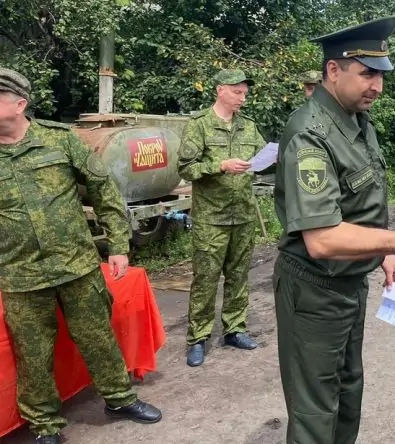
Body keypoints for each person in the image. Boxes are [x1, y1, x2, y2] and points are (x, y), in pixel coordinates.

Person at [272, 16, 395, 444]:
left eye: (381, 75)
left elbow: (354, 209)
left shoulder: (356, 122)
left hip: (348, 287)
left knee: (347, 395)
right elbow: (322, 239)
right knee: (316, 412)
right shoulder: (311, 133)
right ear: (333, 71)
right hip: (315, 292)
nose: (377, 86)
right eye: (367, 74)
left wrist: (383, 255)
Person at [0, 68, 162, 444]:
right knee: (33, 354)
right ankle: (45, 425)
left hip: (76, 264)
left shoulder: (59, 141)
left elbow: (103, 190)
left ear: (19, 104)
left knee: (97, 337)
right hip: (19, 273)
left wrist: (119, 245)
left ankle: (119, 399)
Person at [178, 69, 267, 367]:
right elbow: (186, 168)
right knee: (206, 279)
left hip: (242, 214)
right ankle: (198, 338)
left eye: (245, 92)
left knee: (239, 275)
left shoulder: (249, 127)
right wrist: (220, 165)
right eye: (237, 92)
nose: (243, 98)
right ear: (220, 90)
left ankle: (235, 328)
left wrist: (273, 158)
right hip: (211, 218)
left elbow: (262, 156)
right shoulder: (199, 126)